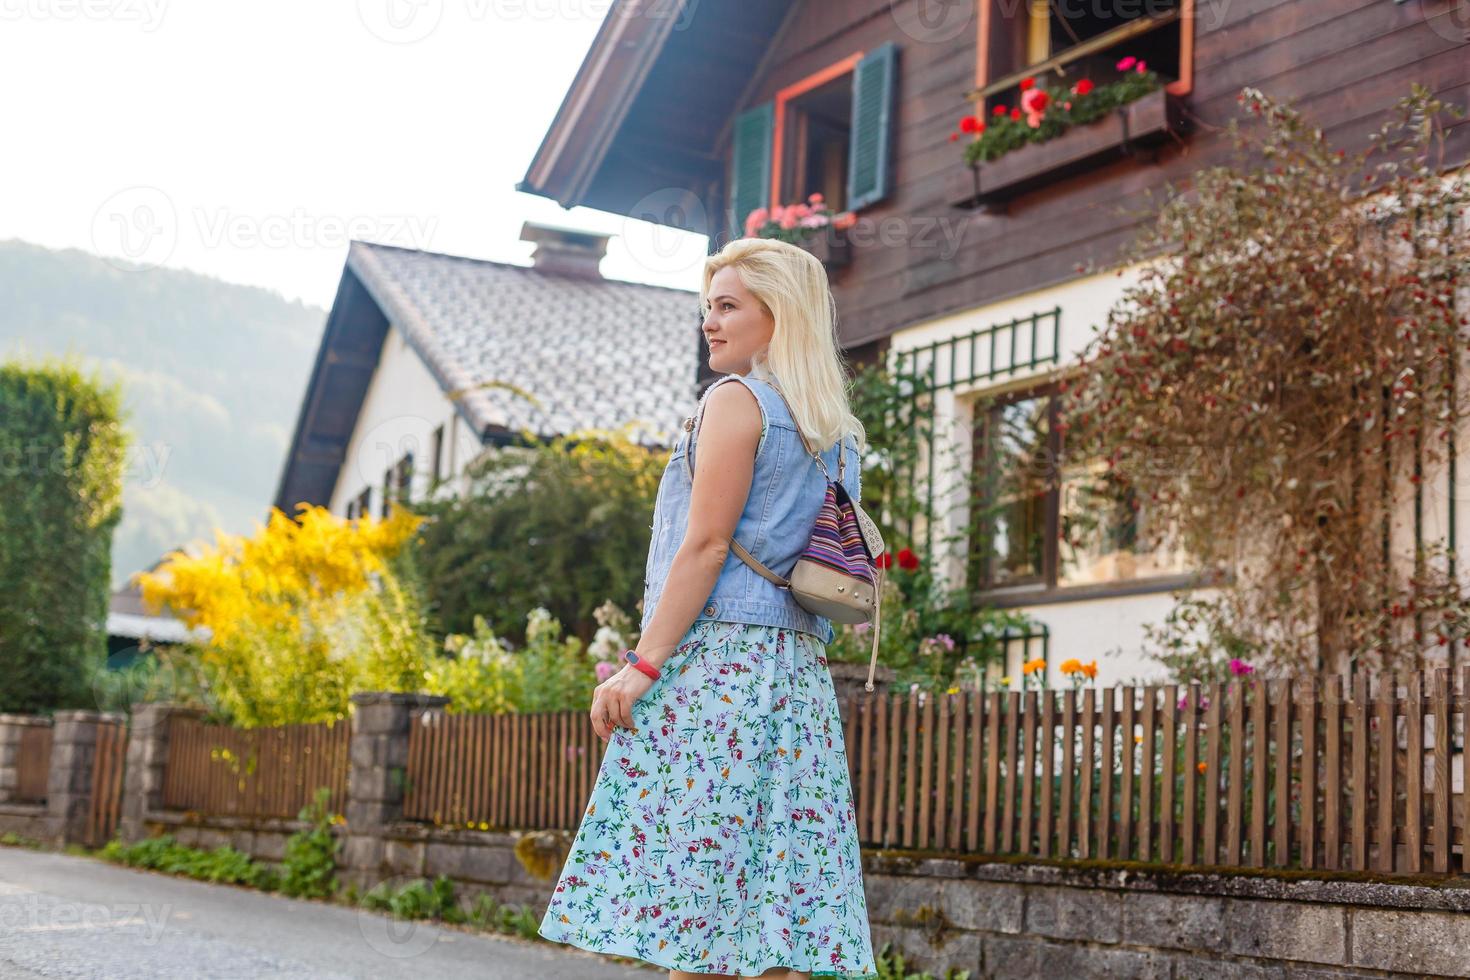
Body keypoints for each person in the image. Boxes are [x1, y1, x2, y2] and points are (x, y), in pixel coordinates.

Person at [537, 236, 878, 979]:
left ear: (778, 315)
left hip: (721, 670)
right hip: (796, 677)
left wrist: (640, 664)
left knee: (697, 905)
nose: (710, 323)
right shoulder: (835, 430)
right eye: (708, 307)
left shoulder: (736, 402)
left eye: (727, 307)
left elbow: (706, 548)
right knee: (777, 905)